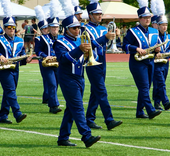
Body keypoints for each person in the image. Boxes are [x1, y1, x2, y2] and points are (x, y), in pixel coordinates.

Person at [55, 0, 101, 147]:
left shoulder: (80, 41)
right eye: (74, 28)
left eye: (78, 27)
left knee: (71, 108)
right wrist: (79, 49)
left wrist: (91, 53)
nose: (77, 30)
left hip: (80, 77)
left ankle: (63, 137)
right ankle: (86, 136)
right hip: (67, 77)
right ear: (67, 29)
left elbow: (91, 57)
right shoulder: (60, 42)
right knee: (78, 107)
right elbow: (63, 59)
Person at [0, 7, 32, 123]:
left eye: (13, 27)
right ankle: (17, 113)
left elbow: (21, 52)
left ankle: (3, 115)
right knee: (11, 90)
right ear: (5, 28)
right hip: (3, 68)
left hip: (15, 68)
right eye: (9, 27)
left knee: (9, 91)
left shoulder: (19, 40)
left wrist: (25, 59)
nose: (11, 29)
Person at [84, 0, 123, 130]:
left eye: (100, 13)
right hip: (91, 62)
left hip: (102, 60)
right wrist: (106, 37)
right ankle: (109, 119)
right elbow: (90, 45)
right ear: (90, 15)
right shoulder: (85, 29)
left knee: (95, 91)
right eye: (96, 14)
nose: (100, 16)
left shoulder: (103, 28)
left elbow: (106, 44)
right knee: (101, 91)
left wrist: (115, 37)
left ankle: (89, 119)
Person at [122, 3, 162, 119]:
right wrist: (136, 48)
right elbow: (124, 45)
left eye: (149, 17)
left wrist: (157, 50)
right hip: (137, 63)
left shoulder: (154, 31)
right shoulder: (132, 31)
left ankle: (139, 112)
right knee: (144, 86)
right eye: (145, 17)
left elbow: (156, 46)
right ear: (139, 18)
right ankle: (150, 110)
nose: (147, 19)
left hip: (150, 61)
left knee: (146, 86)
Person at [37, 2, 62, 114]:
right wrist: (45, 56)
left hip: (58, 64)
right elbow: (38, 51)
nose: (55, 29)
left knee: (56, 84)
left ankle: (52, 104)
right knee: (51, 83)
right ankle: (54, 105)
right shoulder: (42, 38)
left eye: (56, 27)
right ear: (50, 27)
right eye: (53, 27)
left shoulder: (62, 38)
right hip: (47, 64)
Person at [152, 9, 170, 110]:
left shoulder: (169, 37)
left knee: (160, 82)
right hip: (156, 63)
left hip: (165, 62)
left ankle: (157, 102)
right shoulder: (154, 36)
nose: (164, 27)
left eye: (166, 25)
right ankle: (165, 101)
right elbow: (149, 48)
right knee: (161, 83)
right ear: (158, 25)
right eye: (162, 25)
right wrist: (156, 51)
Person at [34, 5, 49, 104]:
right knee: (47, 79)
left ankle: (47, 97)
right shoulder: (39, 38)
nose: (47, 30)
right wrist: (44, 56)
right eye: (45, 28)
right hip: (43, 60)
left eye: (47, 28)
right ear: (41, 29)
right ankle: (47, 98)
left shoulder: (52, 37)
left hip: (53, 60)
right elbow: (37, 50)